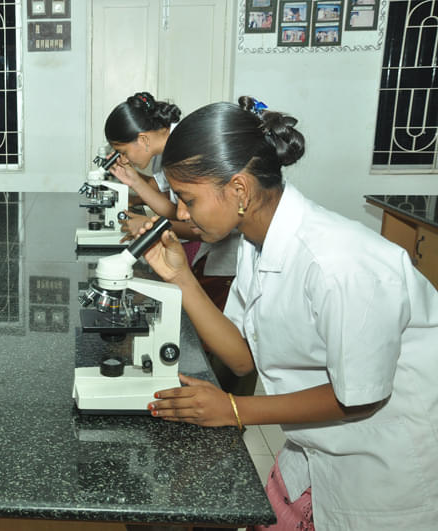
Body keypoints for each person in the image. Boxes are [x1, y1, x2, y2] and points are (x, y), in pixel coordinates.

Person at [140, 99, 438, 529]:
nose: (180, 214)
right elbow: (243, 357)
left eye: (187, 199)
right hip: (315, 451)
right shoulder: (256, 241)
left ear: (239, 190)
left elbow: (360, 396)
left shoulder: (340, 264)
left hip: (386, 466)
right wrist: (181, 279)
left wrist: (234, 410)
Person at [105, 92, 252, 395]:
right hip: (213, 256)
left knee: (223, 349)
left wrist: (153, 225)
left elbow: (187, 220)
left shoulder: (185, 150)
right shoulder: (170, 152)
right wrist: (133, 180)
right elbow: (175, 211)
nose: (125, 156)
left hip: (225, 260)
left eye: (123, 149)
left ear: (143, 139)